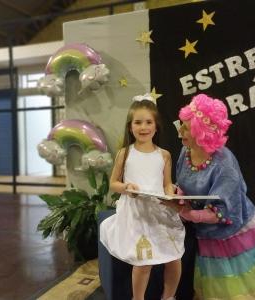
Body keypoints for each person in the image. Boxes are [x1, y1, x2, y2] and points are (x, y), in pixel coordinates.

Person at [163, 93, 255, 299]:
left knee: (240, 289)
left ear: (201, 130)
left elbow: (226, 212)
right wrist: (178, 194)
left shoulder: (224, 163)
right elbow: (185, 183)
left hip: (233, 234)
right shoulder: (186, 151)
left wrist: (187, 213)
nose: (180, 130)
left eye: (185, 126)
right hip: (206, 233)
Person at [100, 93, 185, 300]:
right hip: (135, 211)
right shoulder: (125, 153)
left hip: (158, 208)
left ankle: (168, 296)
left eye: (148, 122)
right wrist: (126, 187)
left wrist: (170, 195)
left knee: (173, 257)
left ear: (156, 126)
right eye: (138, 122)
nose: (143, 127)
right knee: (143, 262)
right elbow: (113, 183)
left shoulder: (164, 155)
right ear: (130, 127)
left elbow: (166, 183)